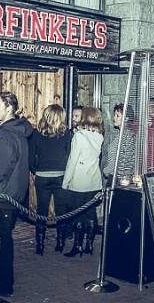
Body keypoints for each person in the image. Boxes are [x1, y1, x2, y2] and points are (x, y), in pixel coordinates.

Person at [0, 92, 32, 297]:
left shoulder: (4, 134)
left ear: (9, 108)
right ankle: (3, 281)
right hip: (13, 193)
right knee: (4, 239)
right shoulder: (19, 131)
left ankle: (3, 284)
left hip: (2, 195)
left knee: (1, 243)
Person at [29, 104, 71, 254]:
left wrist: (35, 170)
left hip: (42, 175)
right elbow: (69, 155)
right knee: (61, 210)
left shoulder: (36, 133)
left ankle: (39, 244)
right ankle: (60, 242)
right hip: (61, 175)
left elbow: (31, 156)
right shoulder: (67, 134)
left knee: (41, 210)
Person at [62, 106, 104, 257]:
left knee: (78, 214)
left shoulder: (79, 136)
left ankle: (78, 246)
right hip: (94, 180)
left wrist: (66, 181)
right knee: (91, 213)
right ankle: (90, 245)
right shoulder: (99, 136)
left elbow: (72, 161)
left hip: (80, 180)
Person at [103, 103, 136, 184]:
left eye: (117, 116)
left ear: (126, 118)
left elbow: (126, 163)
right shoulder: (121, 135)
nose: (114, 118)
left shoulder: (127, 136)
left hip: (118, 180)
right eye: (114, 115)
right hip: (115, 178)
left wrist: (107, 171)